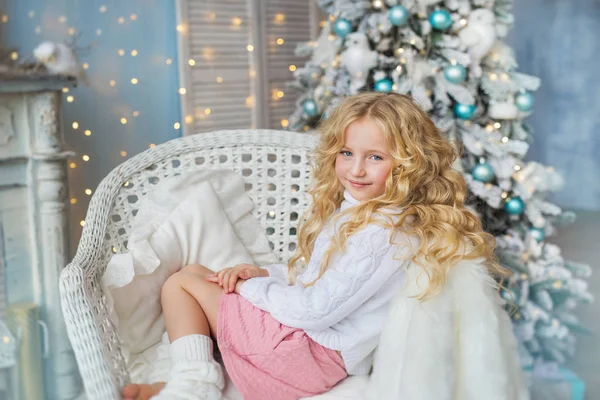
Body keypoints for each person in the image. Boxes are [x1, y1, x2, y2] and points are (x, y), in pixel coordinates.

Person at [122, 92, 510, 400]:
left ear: (409, 163)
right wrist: (264, 274)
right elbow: (317, 278)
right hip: (314, 355)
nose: (355, 170)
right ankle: (192, 382)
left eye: (374, 157)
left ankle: (195, 385)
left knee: (183, 282)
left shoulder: (384, 232)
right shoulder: (367, 212)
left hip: (306, 357)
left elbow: (315, 309)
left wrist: (247, 288)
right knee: (198, 276)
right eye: (347, 153)